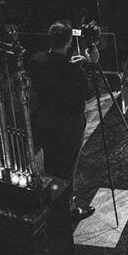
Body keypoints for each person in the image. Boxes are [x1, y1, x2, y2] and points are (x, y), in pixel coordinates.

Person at [28, 20, 94, 221]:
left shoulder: (37, 61)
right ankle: (68, 206)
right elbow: (89, 93)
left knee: (51, 162)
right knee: (67, 167)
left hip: (45, 120)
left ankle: (53, 198)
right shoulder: (72, 71)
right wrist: (91, 64)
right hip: (68, 124)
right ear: (68, 43)